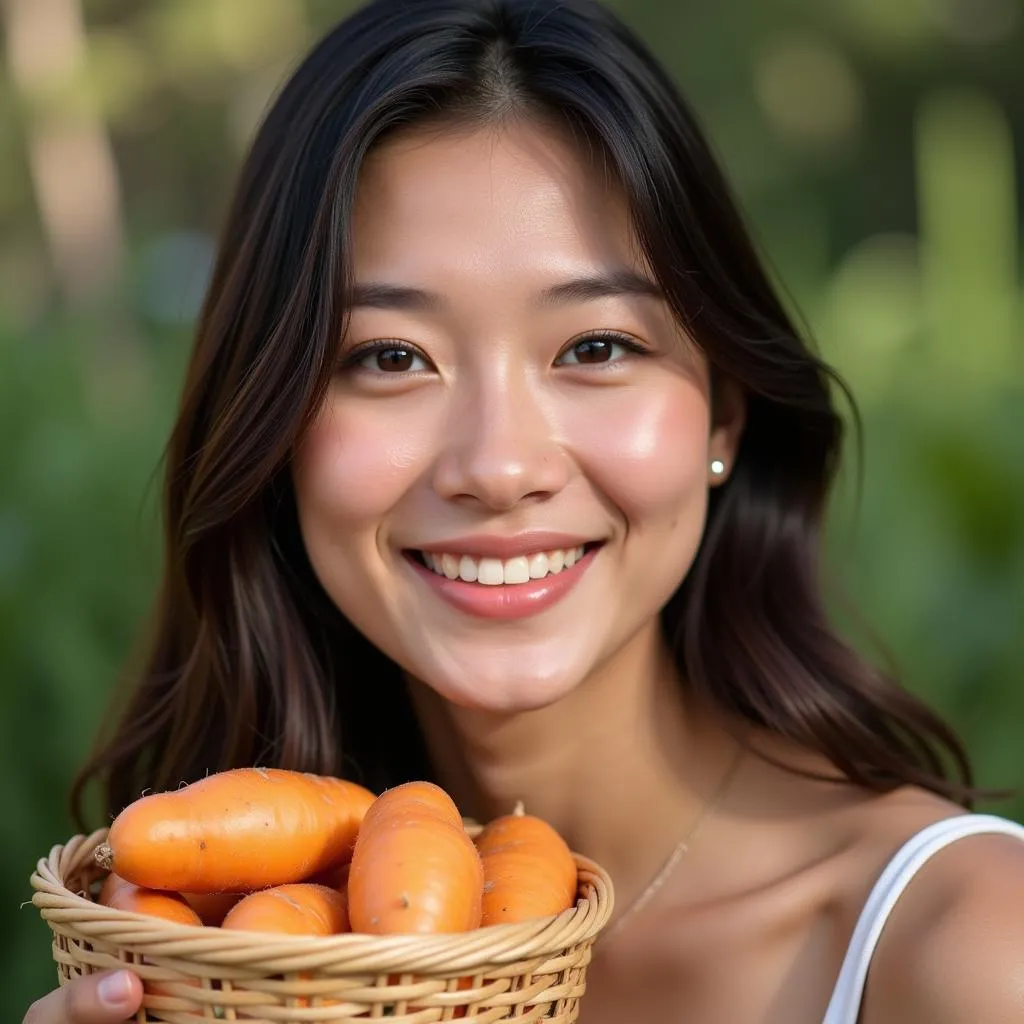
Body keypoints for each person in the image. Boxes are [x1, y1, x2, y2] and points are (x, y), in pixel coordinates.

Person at [24, 0, 1024, 1021]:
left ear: (722, 414)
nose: (498, 466)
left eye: (595, 347)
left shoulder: (965, 949)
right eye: (389, 357)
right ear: (272, 430)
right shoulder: (211, 948)